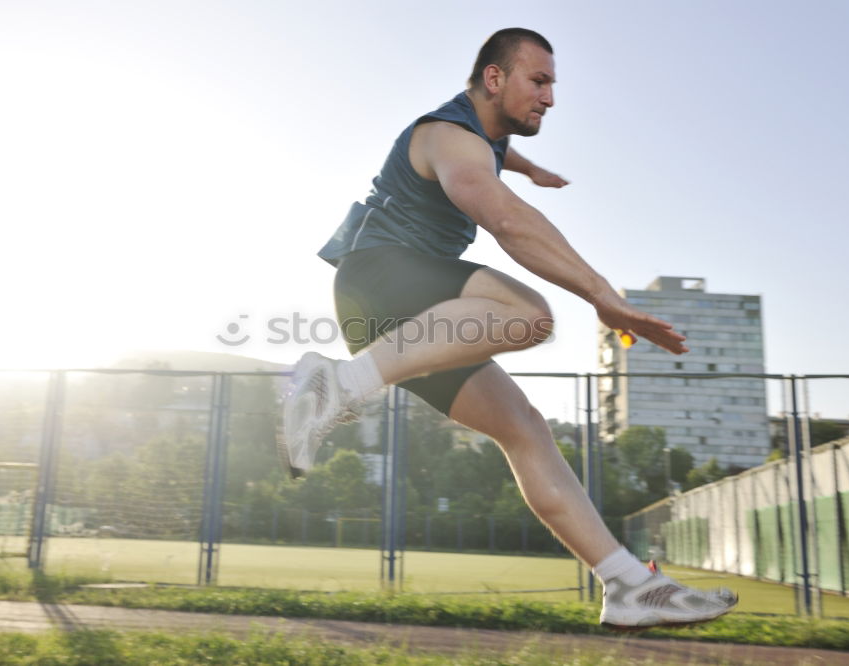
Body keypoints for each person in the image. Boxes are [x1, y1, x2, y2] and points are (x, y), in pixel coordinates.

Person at [279, 28, 737, 629]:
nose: (550, 97)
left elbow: (500, 155)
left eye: (552, 84)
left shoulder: (486, 140)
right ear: (494, 79)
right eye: (538, 81)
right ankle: (338, 385)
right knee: (528, 315)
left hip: (408, 321)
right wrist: (605, 298)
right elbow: (504, 220)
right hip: (381, 277)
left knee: (524, 427)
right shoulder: (447, 136)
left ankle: (628, 587)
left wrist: (531, 166)